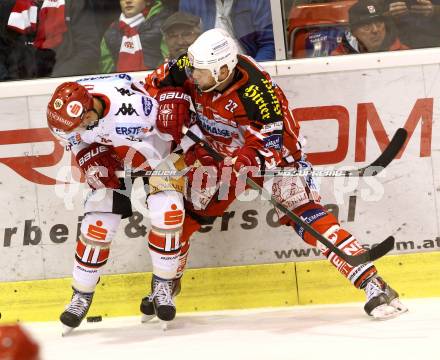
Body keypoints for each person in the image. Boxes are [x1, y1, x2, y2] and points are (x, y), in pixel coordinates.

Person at [144, 28, 408, 320]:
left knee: (308, 218)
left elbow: (268, 147)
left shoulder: (259, 94)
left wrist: (240, 164)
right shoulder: (191, 65)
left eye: (201, 72)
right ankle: (166, 282)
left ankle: (374, 284)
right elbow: (155, 80)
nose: (193, 76)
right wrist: (170, 94)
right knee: (184, 217)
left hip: (274, 158)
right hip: (215, 152)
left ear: (222, 70)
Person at [46, 73, 189, 333]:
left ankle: (163, 285)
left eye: (76, 126)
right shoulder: (65, 116)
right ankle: (81, 294)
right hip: (111, 154)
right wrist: (88, 154)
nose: (68, 132)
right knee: (97, 226)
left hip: (157, 153)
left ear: (89, 116)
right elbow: (75, 141)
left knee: (168, 214)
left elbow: (170, 131)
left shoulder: (133, 112)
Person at [1, 0, 100, 79]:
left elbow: (89, 51)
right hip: (14, 89)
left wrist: (55, 79)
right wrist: (10, 83)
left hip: (63, 86)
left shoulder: (75, 3)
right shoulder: (7, 6)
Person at [179, 0, 275, 61]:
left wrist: (252, 71)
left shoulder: (256, 2)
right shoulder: (190, 2)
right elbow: (187, 48)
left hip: (249, 67)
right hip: (207, 72)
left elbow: (269, 44)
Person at [100, 0, 173, 73]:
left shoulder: (165, 23)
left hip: (156, 81)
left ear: (148, 1)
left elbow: (170, 60)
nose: (128, 1)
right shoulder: (111, 31)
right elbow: (105, 70)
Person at [331, 0, 409, 55]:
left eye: (379, 24)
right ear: (353, 32)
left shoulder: (404, 53)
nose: (375, 30)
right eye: (366, 26)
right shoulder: (338, 57)